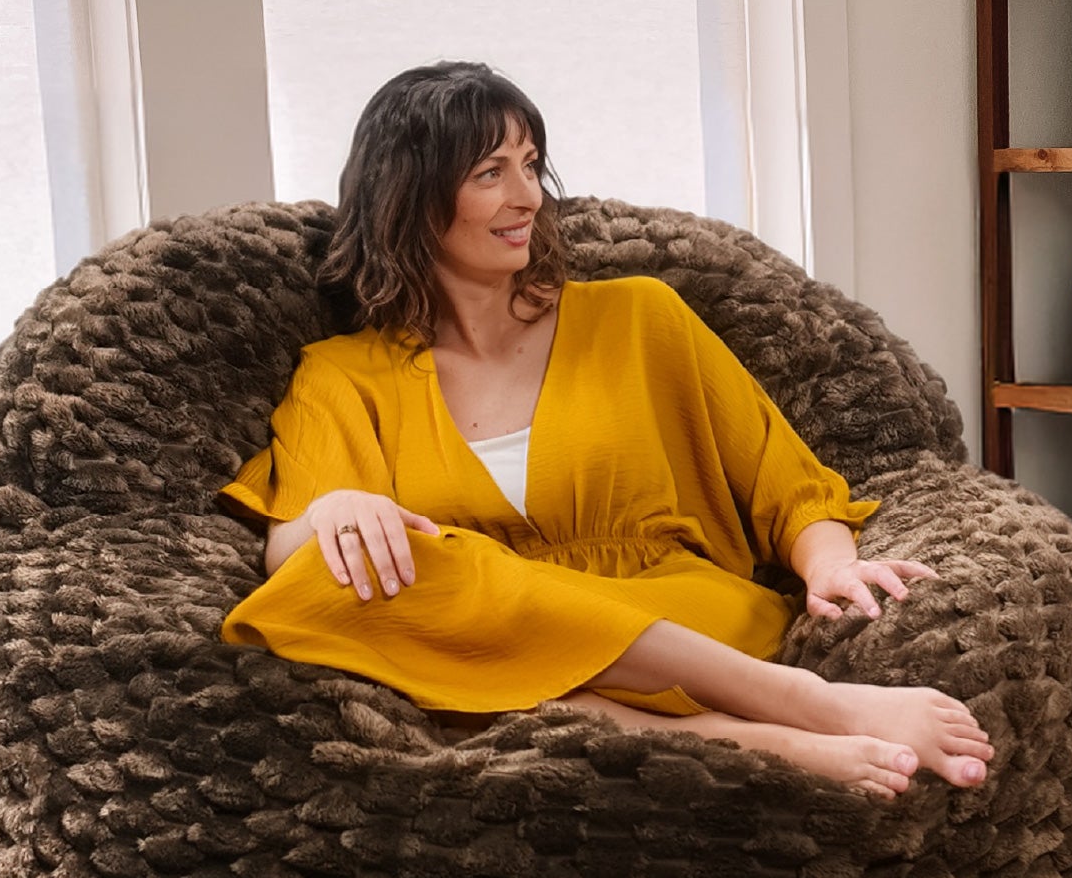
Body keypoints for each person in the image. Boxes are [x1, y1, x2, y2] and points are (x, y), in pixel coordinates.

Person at [219, 62, 995, 798]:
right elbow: (294, 559)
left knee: (455, 659)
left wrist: (828, 564)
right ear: (411, 198)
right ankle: (754, 740)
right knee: (389, 582)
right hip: (487, 633)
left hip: (678, 624)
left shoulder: (639, 317)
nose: (527, 197)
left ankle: (802, 701)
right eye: (491, 173)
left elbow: (786, 481)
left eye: (531, 165)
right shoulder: (341, 373)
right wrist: (329, 512)